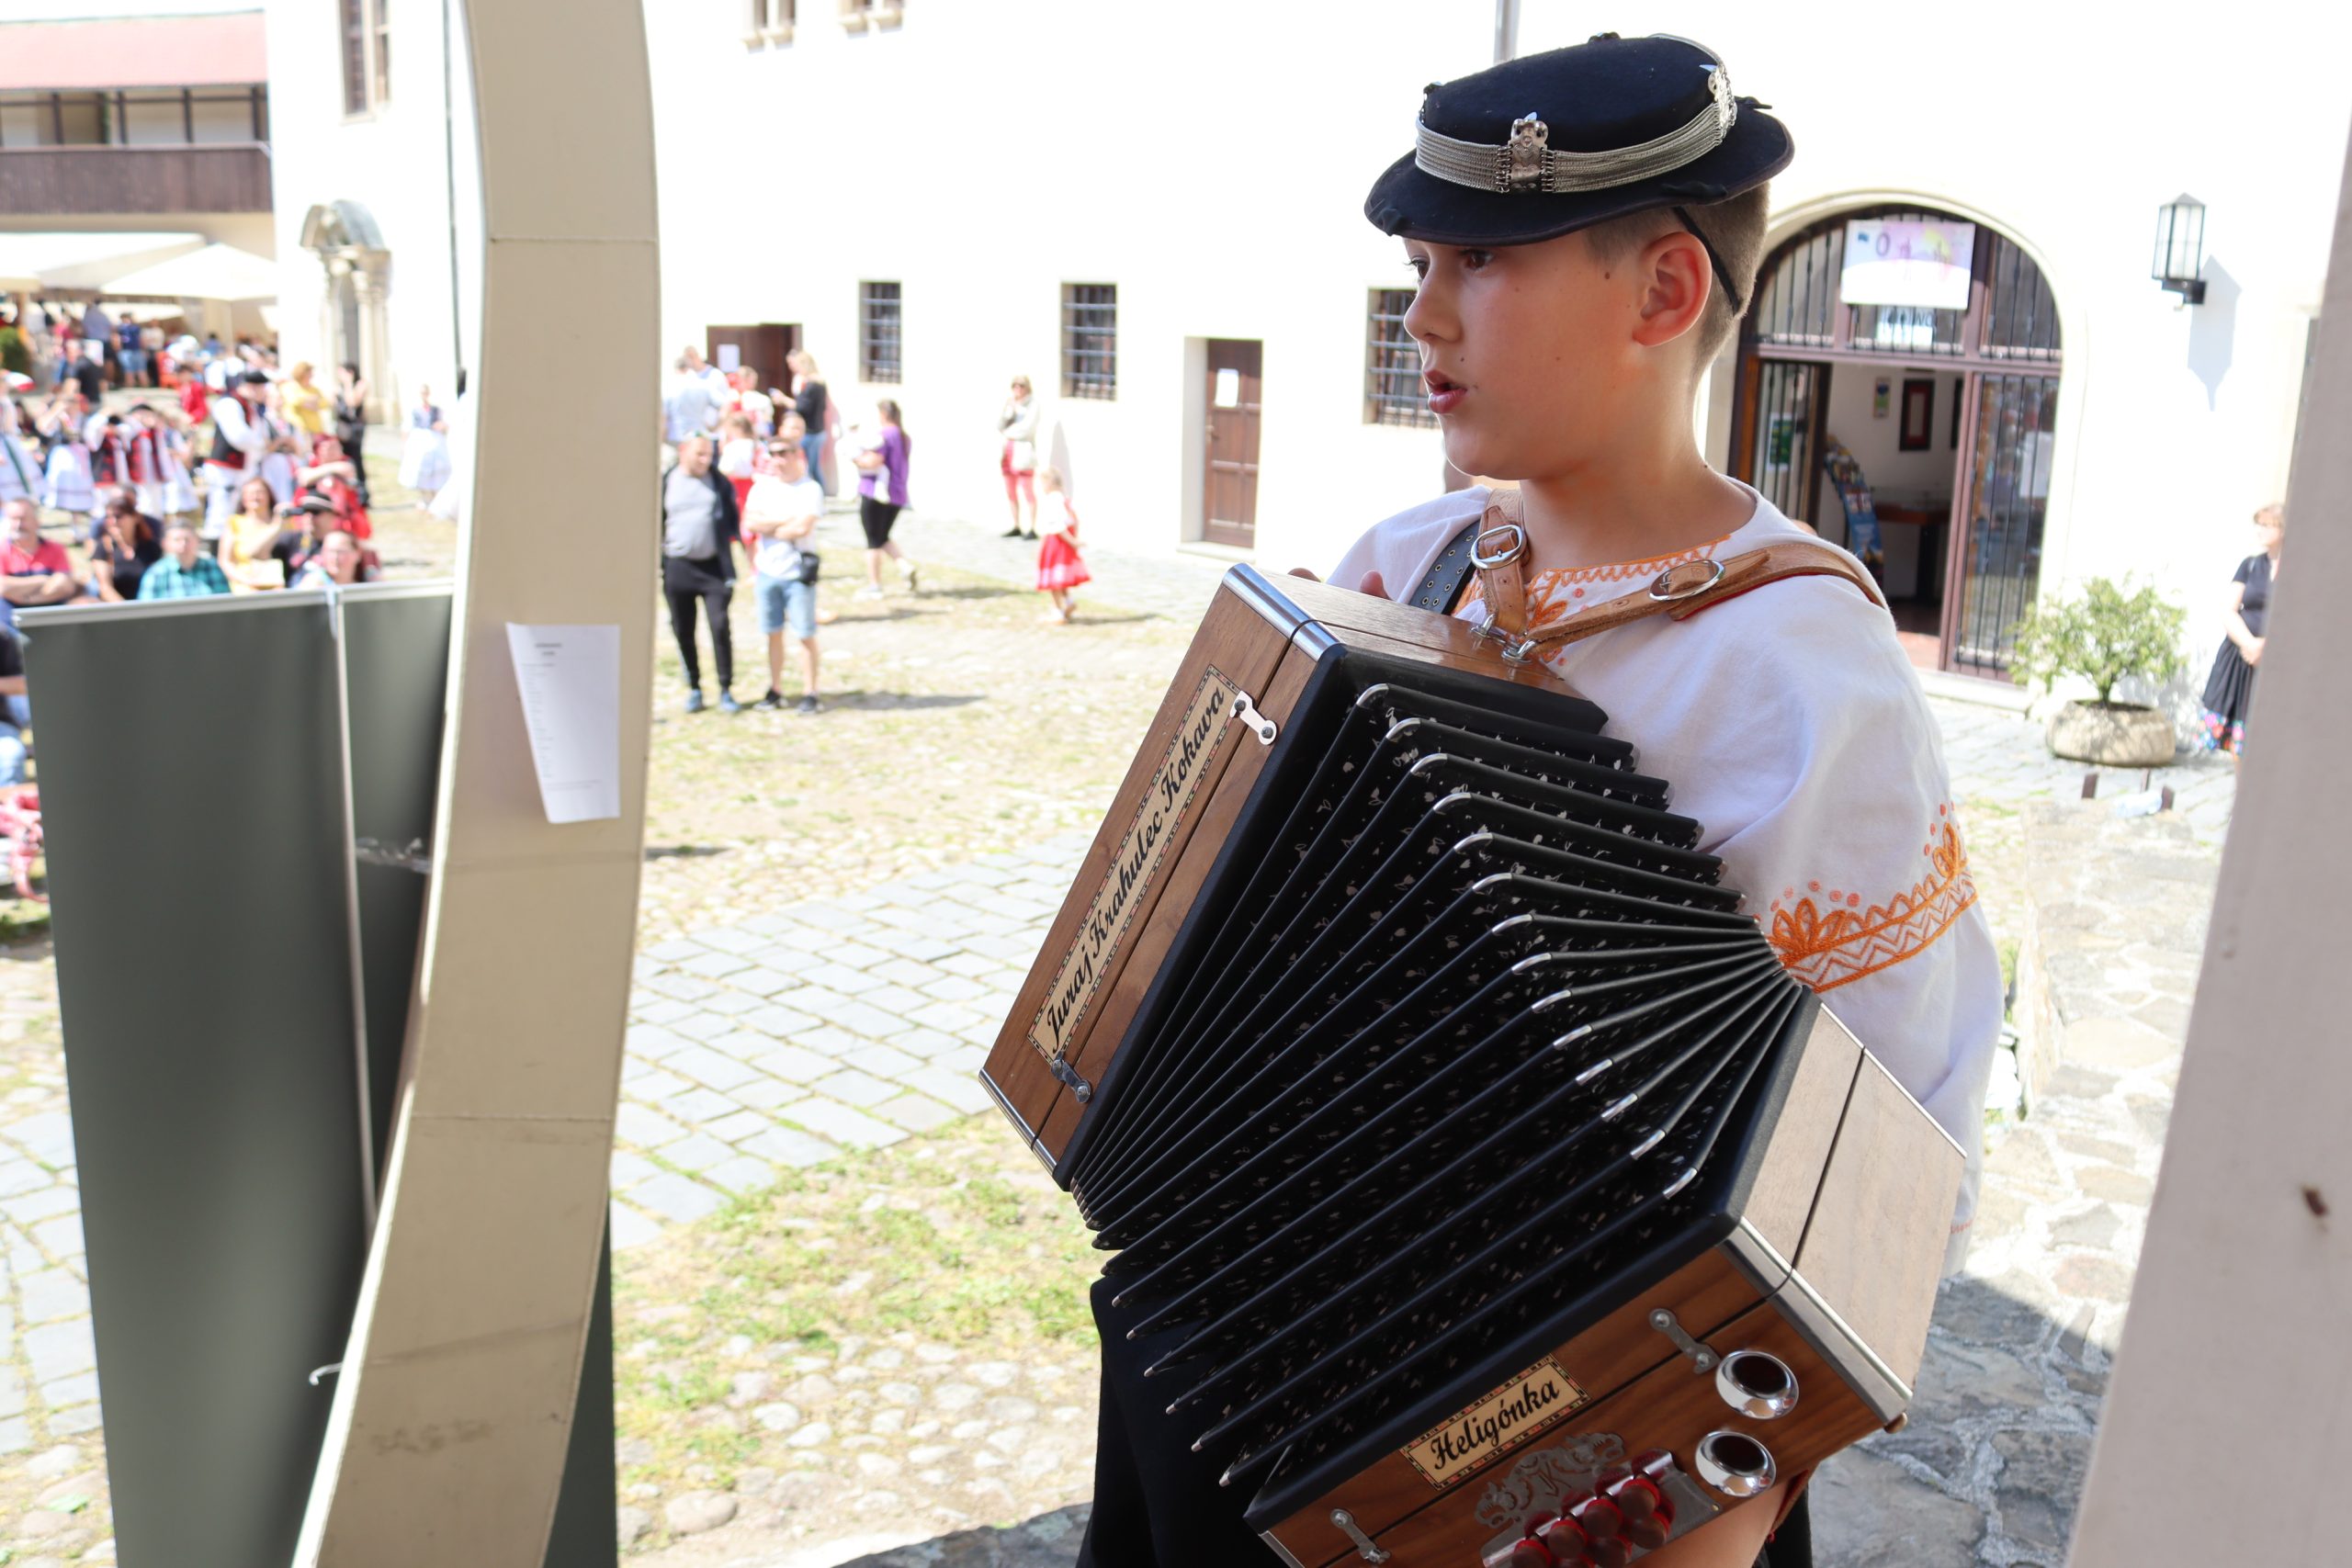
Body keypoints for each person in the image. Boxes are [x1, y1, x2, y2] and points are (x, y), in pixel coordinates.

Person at [1075, 37, 2000, 1568]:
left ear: (1665, 292)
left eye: (1483, 263)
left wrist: (1717, 1500)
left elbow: (1886, 1160)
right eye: (1421, 264)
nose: (1424, 316)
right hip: (1250, 1349)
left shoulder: (1799, 672)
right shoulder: (1404, 562)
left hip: (1587, 1462)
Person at [660, 434, 742, 713]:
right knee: (683, 628)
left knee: (719, 626)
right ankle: (694, 687)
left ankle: (726, 688)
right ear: (684, 451)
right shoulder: (667, 481)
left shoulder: (718, 482)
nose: (705, 460)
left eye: (709, 454)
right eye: (699, 454)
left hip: (713, 567)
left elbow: (732, 519)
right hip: (678, 566)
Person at [742, 434, 824, 714]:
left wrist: (771, 526)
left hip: (797, 573)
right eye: (773, 453)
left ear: (795, 454)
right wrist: (783, 522)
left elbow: (801, 527)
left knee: (805, 633)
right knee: (772, 632)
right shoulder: (762, 488)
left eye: (783, 453)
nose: (778, 459)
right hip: (768, 570)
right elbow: (751, 522)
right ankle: (775, 689)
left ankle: (810, 691)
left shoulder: (810, 489)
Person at [2196, 502, 2283, 757]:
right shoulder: (2251, 565)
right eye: (2259, 525)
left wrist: (2266, 646)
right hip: (2243, 659)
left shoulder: (2298, 570)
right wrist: (2250, 644)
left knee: (2268, 738)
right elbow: (2228, 609)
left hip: (2276, 662)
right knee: (2238, 742)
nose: (2260, 530)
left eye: (2267, 525)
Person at [202, 370, 277, 542]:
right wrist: (262, 444)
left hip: (244, 471)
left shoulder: (251, 408)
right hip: (227, 470)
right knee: (221, 514)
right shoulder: (229, 404)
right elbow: (239, 436)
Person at [853, 400, 915, 599]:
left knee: (872, 540)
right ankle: (904, 566)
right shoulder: (904, 436)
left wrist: (855, 458)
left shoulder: (883, 435)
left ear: (882, 414)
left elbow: (873, 461)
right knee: (882, 536)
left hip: (876, 492)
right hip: (897, 493)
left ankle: (875, 585)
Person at [0, 497, 77, 634]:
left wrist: (26, 598)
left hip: (53, 615)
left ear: (37, 520)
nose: (18, 524)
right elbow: (3, 587)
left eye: (23, 519)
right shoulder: (2, 550)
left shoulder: (55, 549)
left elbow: (64, 585)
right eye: (13, 519)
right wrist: (42, 580)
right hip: (10, 621)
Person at [1034, 467, 1089, 624]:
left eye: (1042, 484)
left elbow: (1058, 526)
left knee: (1053, 580)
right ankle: (1068, 602)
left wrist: (1073, 541)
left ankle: (1058, 612)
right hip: (1062, 544)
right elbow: (1074, 521)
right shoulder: (1064, 499)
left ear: (1049, 483)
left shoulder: (1053, 500)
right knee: (1060, 577)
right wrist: (1074, 539)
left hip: (1055, 543)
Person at [87, 491, 162, 602]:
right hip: (117, 607)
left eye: (118, 516)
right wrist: (128, 609)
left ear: (135, 518)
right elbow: (105, 588)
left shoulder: (151, 547)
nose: (113, 522)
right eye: (108, 517)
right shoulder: (104, 547)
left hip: (148, 604)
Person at [219, 477, 288, 592]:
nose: (255, 497)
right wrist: (247, 581)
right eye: (250, 493)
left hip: (280, 586)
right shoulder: (235, 522)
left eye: (260, 492)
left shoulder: (282, 521)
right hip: (246, 587)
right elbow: (225, 561)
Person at [136, 518, 231, 600]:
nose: (183, 544)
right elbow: (145, 610)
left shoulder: (213, 567)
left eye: (187, 539)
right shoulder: (156, 574)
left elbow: (225, 603)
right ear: (165, 543)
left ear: (198, 540)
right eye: (177, 540)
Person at [999, 375, 1042, 537]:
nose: (1018, 389)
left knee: (1027, 490)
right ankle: (1016, 524)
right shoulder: (1010, 404)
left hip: (1024, 453)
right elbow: (1000, 425)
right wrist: (1009, 412)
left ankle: (1032, 527)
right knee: (1010, 490)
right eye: (1015, 386)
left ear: (1027, 387)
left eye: (1021, 386)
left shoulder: (1033, 405)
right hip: (1008, 452)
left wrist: (1008, 432)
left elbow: (1026, 429)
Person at [785, 350, 829, 492]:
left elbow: (802, 407)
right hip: (817, 429)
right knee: (813, 466)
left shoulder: (812, 384)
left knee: (808, 467)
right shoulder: (818, 383)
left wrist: (785, 400)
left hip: (810, 431)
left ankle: (818, 494)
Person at [662, 355, 725, 453]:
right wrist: (715, 427)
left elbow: (663, 418)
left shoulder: (668, 387)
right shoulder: (703, 384)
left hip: (675, 439)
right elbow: (726, 405)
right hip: (698, 438)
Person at [399, 384, 451, 500]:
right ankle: (424, 496)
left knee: (437, 469)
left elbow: (445, 424)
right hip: (420, 441)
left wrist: (441, 426)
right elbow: (406, 428)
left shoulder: (435, 409)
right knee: (420, 469)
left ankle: (434, 494)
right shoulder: (415, 410)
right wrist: (404, 445)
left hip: (435, 441)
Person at [334, 363, 372, 504]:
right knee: (343, 459)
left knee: (356, 460)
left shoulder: (360, 384)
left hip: (354, 430)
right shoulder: (338, 387)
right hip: (342, 428)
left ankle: (362, 494)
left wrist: (348, 384)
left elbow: (352, 402)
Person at [291, 528, 376, 590]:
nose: (335, 557)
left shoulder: (368, 581)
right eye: (330, 551)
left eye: (341, 551)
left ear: (357, 553)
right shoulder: (314, 582)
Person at [716, 412, 761, 513]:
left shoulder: (733, 446)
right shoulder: (755, 444)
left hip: (735, 485)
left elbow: (726, 468)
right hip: (750, 483)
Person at [281, 361, 330, 445]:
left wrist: (308, 403)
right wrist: (311, 399)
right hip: (299, 430)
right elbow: (293, 400)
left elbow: (325, 403)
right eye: (309, 374)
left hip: (315, 430)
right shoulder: (290, 386)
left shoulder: (314, 389)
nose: (311, 376)